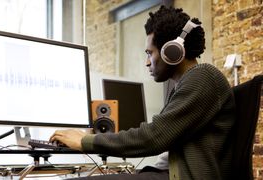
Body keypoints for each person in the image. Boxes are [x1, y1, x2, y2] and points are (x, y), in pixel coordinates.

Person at [50, 5, 235, 180]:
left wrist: (85, 141)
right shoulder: (188, 83)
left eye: (149, 53)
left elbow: (153, 137)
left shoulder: (203, 77)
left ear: (171, 51)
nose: (147, 62)